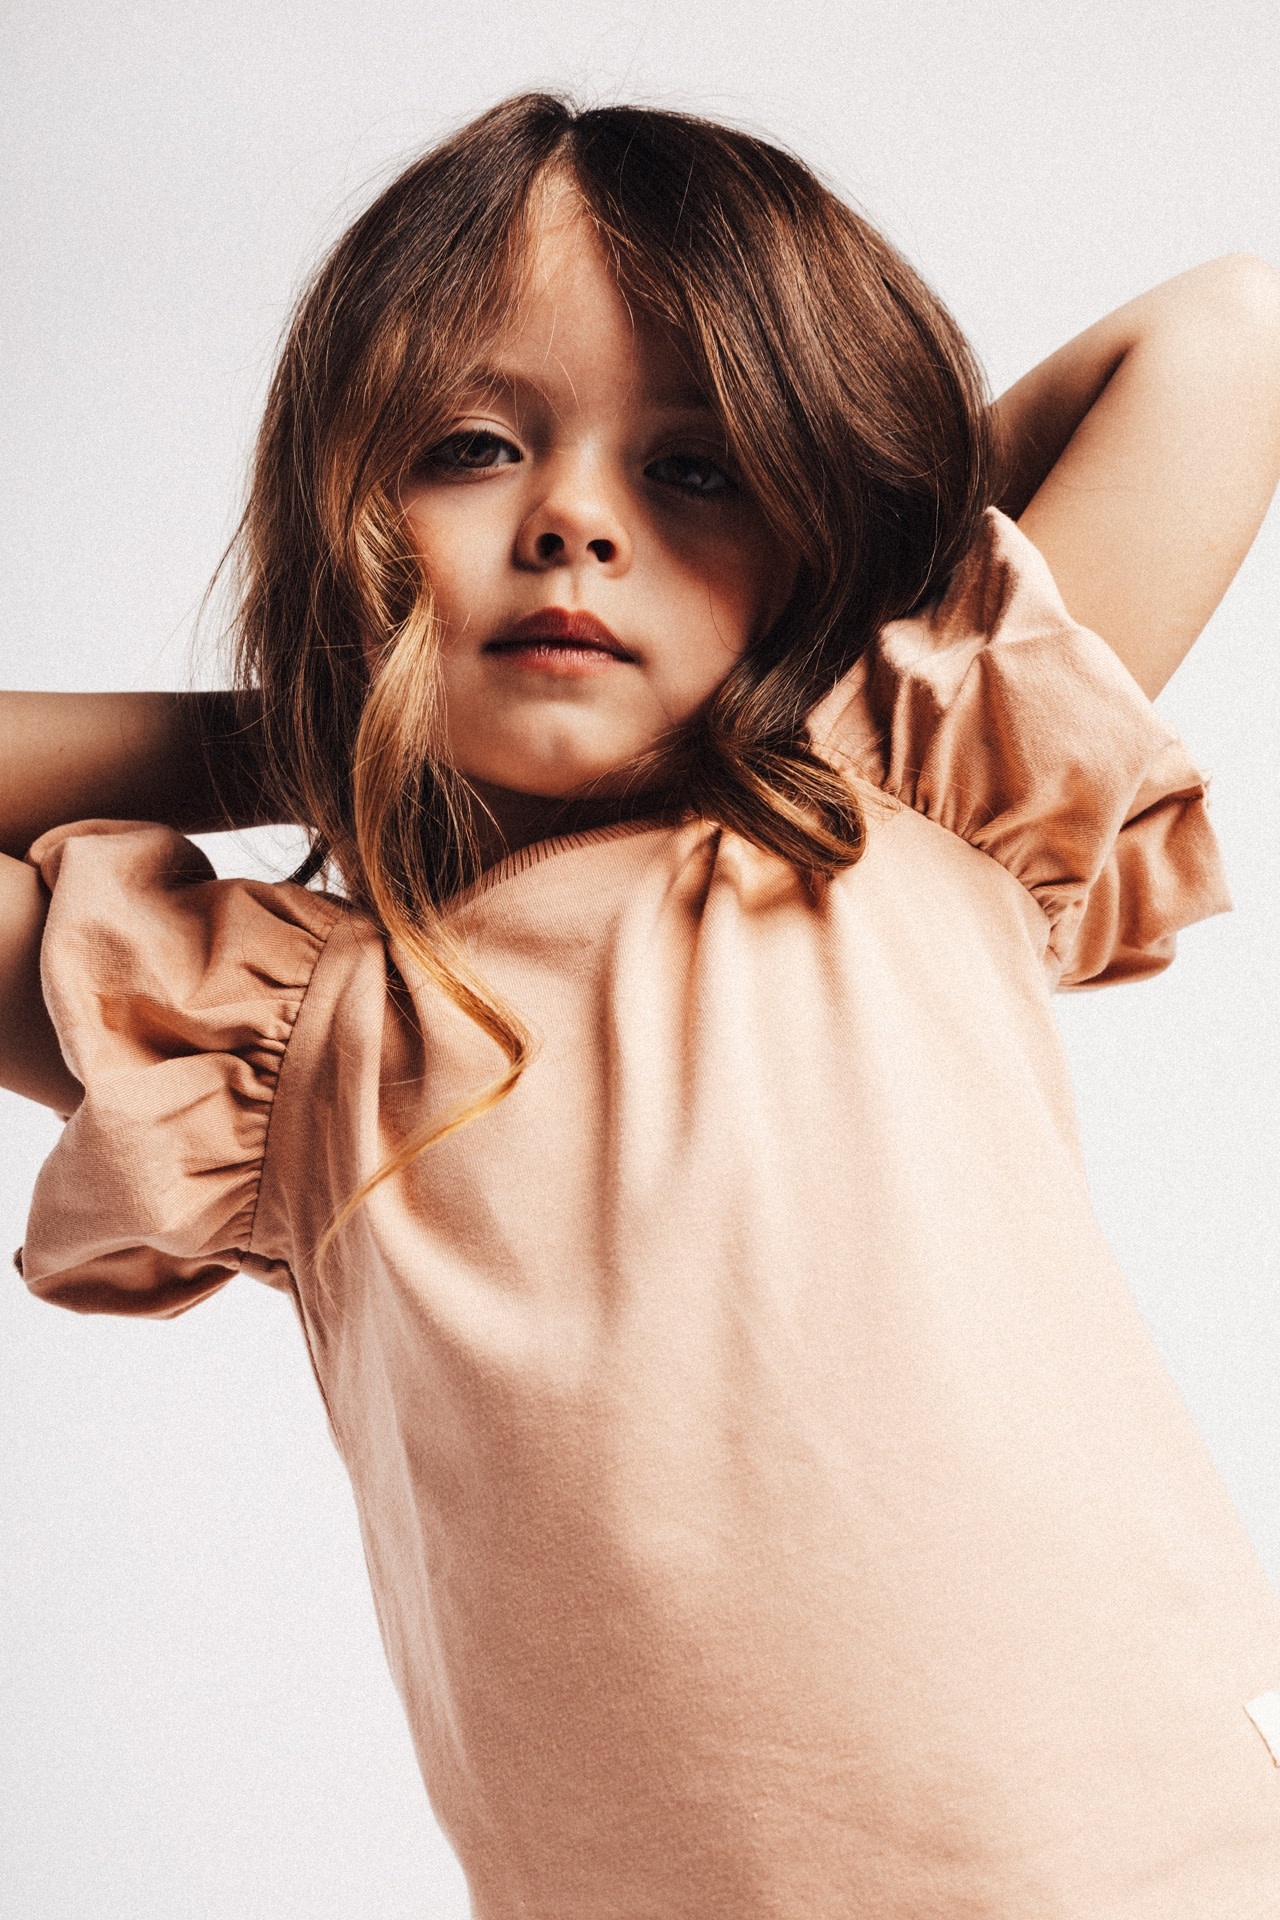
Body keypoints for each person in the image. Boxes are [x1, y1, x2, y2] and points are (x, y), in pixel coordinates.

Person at [3, 91, 1280, 1917]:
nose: (573, 523)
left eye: (697, 469)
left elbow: (1232, 330)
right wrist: (316, 725)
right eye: (470, 448)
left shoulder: (905, 810)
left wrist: (832, 600)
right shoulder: (288, 1048)